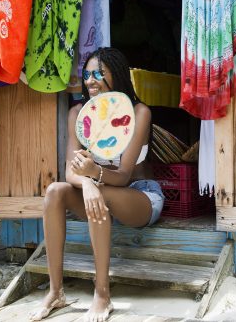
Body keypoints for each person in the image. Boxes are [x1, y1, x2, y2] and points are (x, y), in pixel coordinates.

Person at [29, 48, 165, 322]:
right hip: (97, 193)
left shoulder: (139, 112)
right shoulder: (78, 114)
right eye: (88, 74)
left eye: (99, 74)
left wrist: (94, 177)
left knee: (99, 191)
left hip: (138, 197)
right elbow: (71, 171)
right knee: (55, 191)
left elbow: (125, 174)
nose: (91, 80)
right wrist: (89, 183)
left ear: (118, 77)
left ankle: (102, 294)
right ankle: (56, 292)